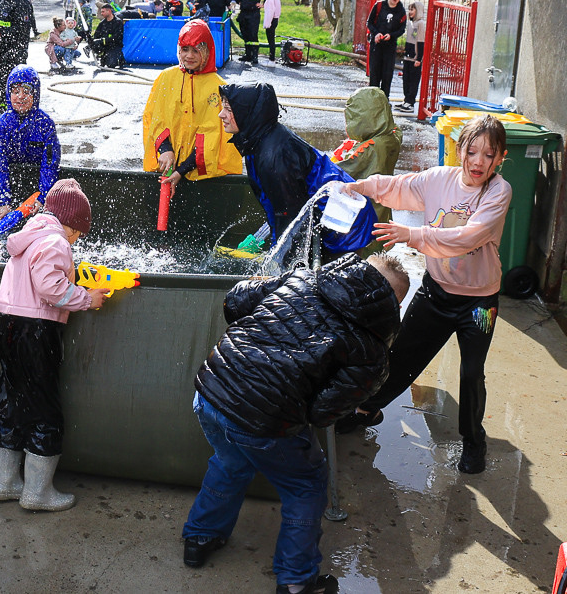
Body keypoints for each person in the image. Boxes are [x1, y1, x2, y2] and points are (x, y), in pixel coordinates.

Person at [181, 252, 408, 594]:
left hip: (212, 390)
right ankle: (296, 581)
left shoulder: (303, 279)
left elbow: (235, 301)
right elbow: (323, 414)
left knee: (230, 461)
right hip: (265, 419)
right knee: (306, 485)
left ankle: (199, 539)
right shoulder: (372, 351)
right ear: (393, 305)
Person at [336, 115, 511, 475]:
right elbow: (399, 187)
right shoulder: (438, 180)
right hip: (435, 294)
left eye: (488, 155)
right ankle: (367, 409)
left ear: (500, 158)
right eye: (472, 151)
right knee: (399, 357)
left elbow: (469, 237)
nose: (478, 161)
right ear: (459, 148)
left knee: (471, 372)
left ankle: (473, 442)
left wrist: (413, 236)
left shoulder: (498, 192)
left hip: (479, 303)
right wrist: (360, 186)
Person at [0, 178, 107, 512]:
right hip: (37, 332)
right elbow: (50, 288)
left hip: (9, 327)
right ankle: (37, 492)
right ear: (69, 223)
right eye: (78, 232)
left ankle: (4, 482)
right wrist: (86, 298)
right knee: (45, 409)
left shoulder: (31, 235)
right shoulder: (56, 242)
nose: (78, 239)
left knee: (10, 401)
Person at [219, 82, 376, 253]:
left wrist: (277, 258)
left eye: (229, 109)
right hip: (337, 215)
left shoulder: (272, 156)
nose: (221, 114)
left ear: (247, 112)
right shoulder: (259, 139)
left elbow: (289, 217)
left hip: (346, 225)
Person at [144, 20, 242, 196]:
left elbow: (213, 136)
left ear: (207, 51)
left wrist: (181, 170)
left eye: (196, 50)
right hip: (166, 168)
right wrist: (165, 150)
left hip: (204, 176)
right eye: (184, 49)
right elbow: (155, 119)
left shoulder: (218, 87)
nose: (189, 56)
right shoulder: (165, 79)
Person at [0, 65, 61, 218]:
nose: (20, 96)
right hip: (13, 182)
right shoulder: (1, 125)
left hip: (36, 185)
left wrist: (43, 197)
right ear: (9, 94)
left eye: (26, 92)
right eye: (15, 92)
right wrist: (2, 201)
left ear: (35, 95)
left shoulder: (45, 123)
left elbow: (50, 164)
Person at [333, 87, 403, 224]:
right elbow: (396, 129)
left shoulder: (371, 148)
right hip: (381, 205)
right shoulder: (390, 135)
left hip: (365, 210)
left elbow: (343, 169)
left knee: (365, 239)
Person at [366, 0, 406, 99]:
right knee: (374, 74)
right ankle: (373, 100)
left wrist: (391, 35)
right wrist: (376, 33)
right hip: (377, 44)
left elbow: (402, 29)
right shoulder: (379, 5)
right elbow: (369, 22)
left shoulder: (401, 11)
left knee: (387, 75)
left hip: (390, 46)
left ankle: (384, 100)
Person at [232, 0, 267, 64]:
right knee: (245, 34)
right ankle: (248, 54)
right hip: (243, 14)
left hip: (253, 14)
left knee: (253, 35)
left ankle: (255, 55)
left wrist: (263, 4)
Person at [397, 0, 426, 112]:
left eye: (412, 9)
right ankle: (406, 100)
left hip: (415, 58)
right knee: (406, 79)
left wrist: (419, 58)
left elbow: (420, 42)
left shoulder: (420, 24)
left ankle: (411, 102)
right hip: (407, 57)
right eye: (409, 9)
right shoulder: (411, 23)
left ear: (418, 11)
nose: (410, 12)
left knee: (413, 80)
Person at [91, 3, 125, 68]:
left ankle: (120, 59)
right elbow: (96, 36)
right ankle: (101, 56)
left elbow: (117, 37)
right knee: (94, 43)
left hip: (115, 46)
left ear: (109, 11)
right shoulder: (102, 23)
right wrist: (92, 41)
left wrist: (102, 40)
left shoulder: (118, 22)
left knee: (112, 64)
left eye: (103, 12)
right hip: (105, 47)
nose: (101, 13)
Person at [263, 0, 281, 64]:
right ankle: (272, 58)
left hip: (271, 20)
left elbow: (270, 11)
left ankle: (271, 59)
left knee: (271, 40)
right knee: (272, 39)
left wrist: (267, 23)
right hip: (275, 19)